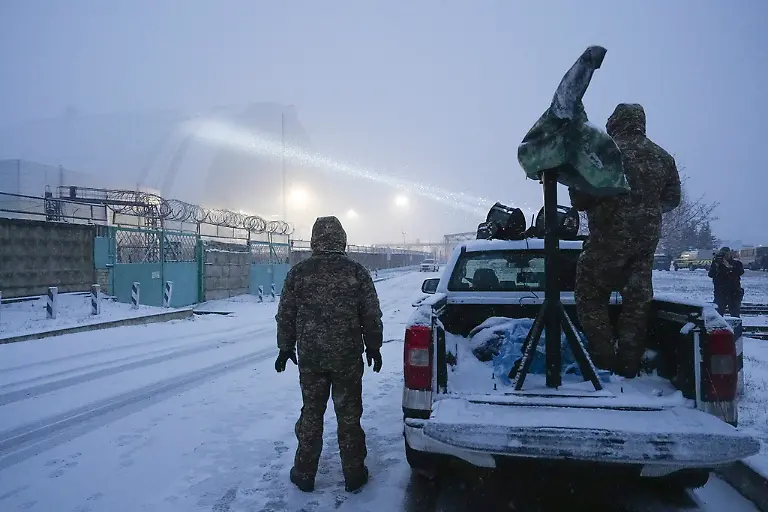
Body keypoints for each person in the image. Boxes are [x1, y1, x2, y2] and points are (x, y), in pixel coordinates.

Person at [569, 103, 681, 378]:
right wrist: (646, 209)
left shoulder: (602, 152)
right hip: (645, 244)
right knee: (636, 303)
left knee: (591, 295)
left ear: (614, 123)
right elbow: (672, 199)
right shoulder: (663, 157)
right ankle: (629, 365)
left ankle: (604, 360)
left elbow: (579, 199)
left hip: (607, 239)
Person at [275, 216, 383, 493]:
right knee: (349, 415)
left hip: (311, 358)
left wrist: (285, 347)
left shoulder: (299, 273)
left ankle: (304, 473)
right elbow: (371, 315)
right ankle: (354, 473)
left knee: (311, 413)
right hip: (347, 357)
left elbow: (286, 314)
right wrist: (374, 346)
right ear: (341, 239)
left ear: (314, 240)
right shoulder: (356, 272)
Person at [708, 247, 744, 317]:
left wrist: (729, 267)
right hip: (720, 292)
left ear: (730, 254)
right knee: (717, 315)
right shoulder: (717, 263)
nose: (724, 256)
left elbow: (740, 272)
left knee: (735, 314)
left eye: (726, 254)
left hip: (734, 292)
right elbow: (711, 274)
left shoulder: (737, 263)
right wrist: (716, 266)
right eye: (722, 254)